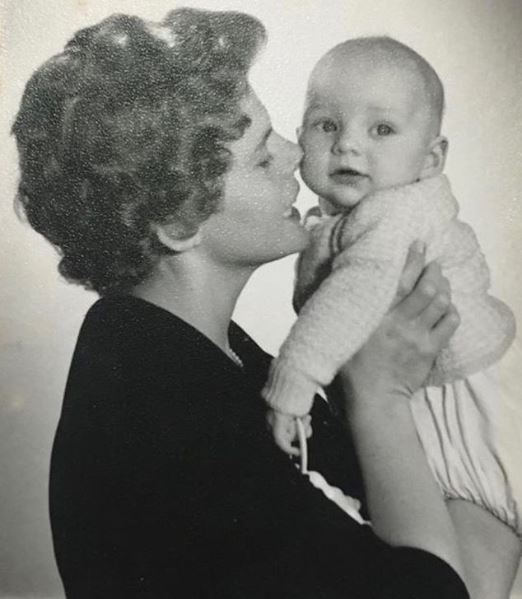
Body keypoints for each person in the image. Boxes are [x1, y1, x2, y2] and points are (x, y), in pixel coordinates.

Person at [12, 8, 495, 598]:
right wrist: (379, 397)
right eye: (263, 155)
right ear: (178, 221)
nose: (298, 154)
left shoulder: (203, 360)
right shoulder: (165, 426)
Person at [262, 36, 521, 597]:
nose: (348, 145)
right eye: (326, 125)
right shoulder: (341, 217)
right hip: (435, 421)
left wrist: (294, 382)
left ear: (431, 159)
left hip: (479, 406)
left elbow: (358, 292)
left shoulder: (397, 214)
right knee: (460, 576)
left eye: (381, 130)